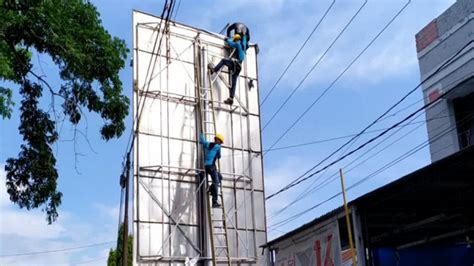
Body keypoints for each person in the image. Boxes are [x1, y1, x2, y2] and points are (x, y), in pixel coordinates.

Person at [209, 33, 247, 105]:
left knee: (223, 61)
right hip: (239, 67)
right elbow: (244, 41)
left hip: (235, 64)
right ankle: (231, 98)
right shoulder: (243, 46)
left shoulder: (237, 44)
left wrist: (227, 40)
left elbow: (230, 44)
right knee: (234, 82)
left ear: (236, 40)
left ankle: (213, 70)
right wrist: (244, 36)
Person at [200, 132, 224, 208]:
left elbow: (203, 142)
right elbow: (219, 156)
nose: (220, 143)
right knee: (216, 182)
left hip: (206, 166)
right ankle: (214, 202)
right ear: (218, 140)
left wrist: (201, 134)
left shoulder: (208, 144)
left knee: (219, 176)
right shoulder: (218, 147)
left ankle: (211, 188)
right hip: (212, 166)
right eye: (220, 141)